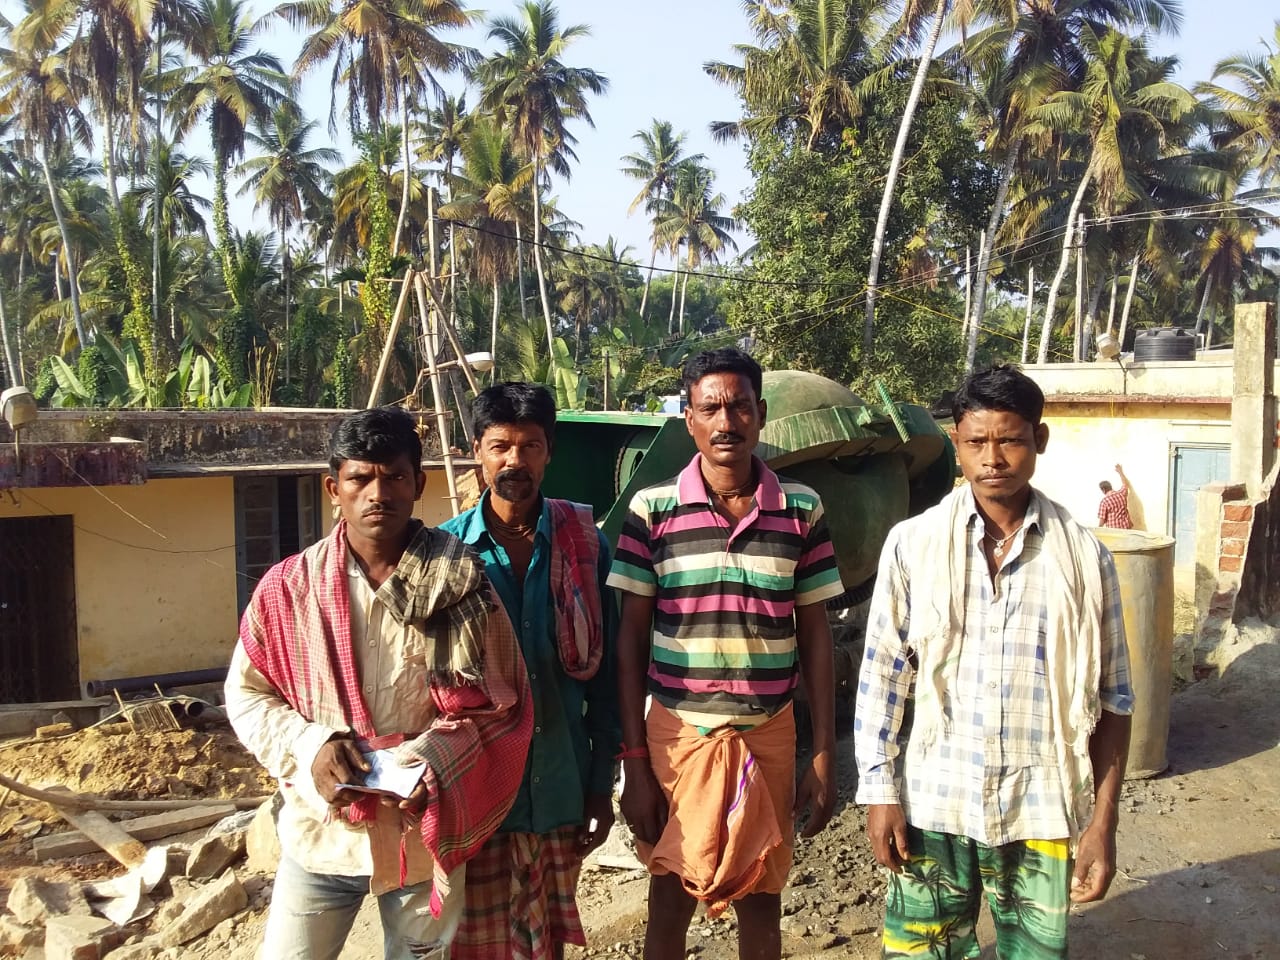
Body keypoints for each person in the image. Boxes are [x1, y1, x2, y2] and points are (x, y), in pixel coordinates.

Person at [225, 406, 533, 960]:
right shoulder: (288, 589)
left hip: (422, 830)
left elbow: (502, 702)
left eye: (394, 476)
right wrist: (312, 745)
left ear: (418, 485)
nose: (378, 494)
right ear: (333, 489)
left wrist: (435, 762)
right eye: (360, 478)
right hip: (321, 832)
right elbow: (246, 694)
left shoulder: (461, 583)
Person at [854, 364, 1134, 960]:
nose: (993, 459)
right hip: (933, 801)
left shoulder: (1085, 558)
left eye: (1010, 440)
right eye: (976, 441)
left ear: (1039, 440)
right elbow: (882, 679)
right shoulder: (913, 544)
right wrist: (879, 792)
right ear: (956, 443)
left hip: (1041, 808)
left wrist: (1102, 823)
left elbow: (1114, 699)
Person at [608, 347, 844, 960]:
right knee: (669, 901)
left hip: (769, 733)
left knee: (762, 902)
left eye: (739, 407)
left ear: (760, 414)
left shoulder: (801, 509)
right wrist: (634, 763)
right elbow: (630, 642)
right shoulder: (652, 510)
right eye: (710, 407)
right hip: (678, 736)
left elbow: (815, 634)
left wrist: (822, 751)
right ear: (688, 418)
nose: (726, 421)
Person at [440, 383, 620, 960]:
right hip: (478, 795)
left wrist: (600, 787)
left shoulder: (585, 544)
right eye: (500, 446)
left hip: (562, 785)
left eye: (530, 446)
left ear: (549, 452)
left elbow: (609, 680)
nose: (514, 461)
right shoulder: (445, 554)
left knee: (547, 943)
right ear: (477, 450)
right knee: (472, 946)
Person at [1098, 464, 1134, 529]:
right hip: (1127, 529)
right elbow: (1125, 484)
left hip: (1114, 532)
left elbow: (1101, 522)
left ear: (1103, 490)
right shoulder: (1121, 494)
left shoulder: (1104, 501)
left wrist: (1097, 530)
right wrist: (1120, 472)